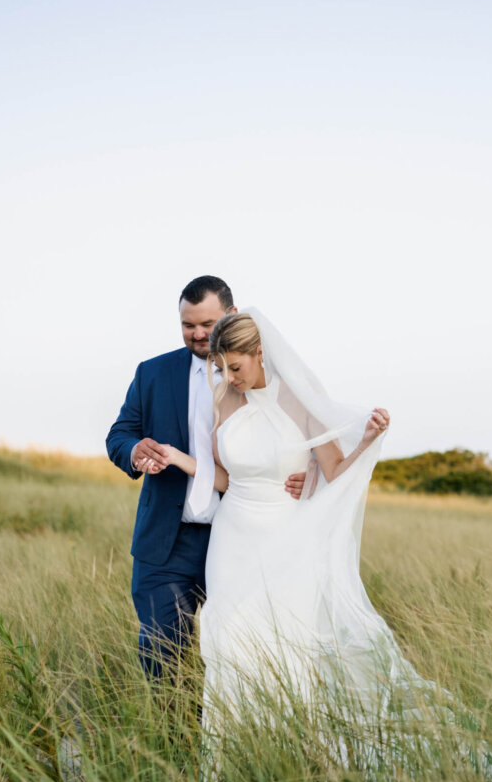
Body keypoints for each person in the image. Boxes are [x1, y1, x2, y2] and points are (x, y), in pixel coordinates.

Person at [159, 308, 441, 743]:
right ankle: (226, 753)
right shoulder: (222, 400)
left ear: (258, 353)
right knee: (228, 638)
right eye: (220, 368)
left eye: (235, 367)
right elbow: (226, 479)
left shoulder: (300, 400)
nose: (228, 377)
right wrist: (183, 460)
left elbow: (335, 472)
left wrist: (366, 441)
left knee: (284, 640)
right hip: (232, 536)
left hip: (285, 538)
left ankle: (288, 745)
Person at [106, 281, 309, 679]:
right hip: (167, 541)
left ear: (232, 316)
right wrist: (134, 451)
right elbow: (120, 434)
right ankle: (174, 739)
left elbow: (305, 439)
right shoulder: (152, 373)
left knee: (243, 652)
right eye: (188, 325)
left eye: (208, 323)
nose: (198, 333)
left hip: (241, 538)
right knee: (161, 652)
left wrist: (308, 475)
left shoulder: (264, 375)